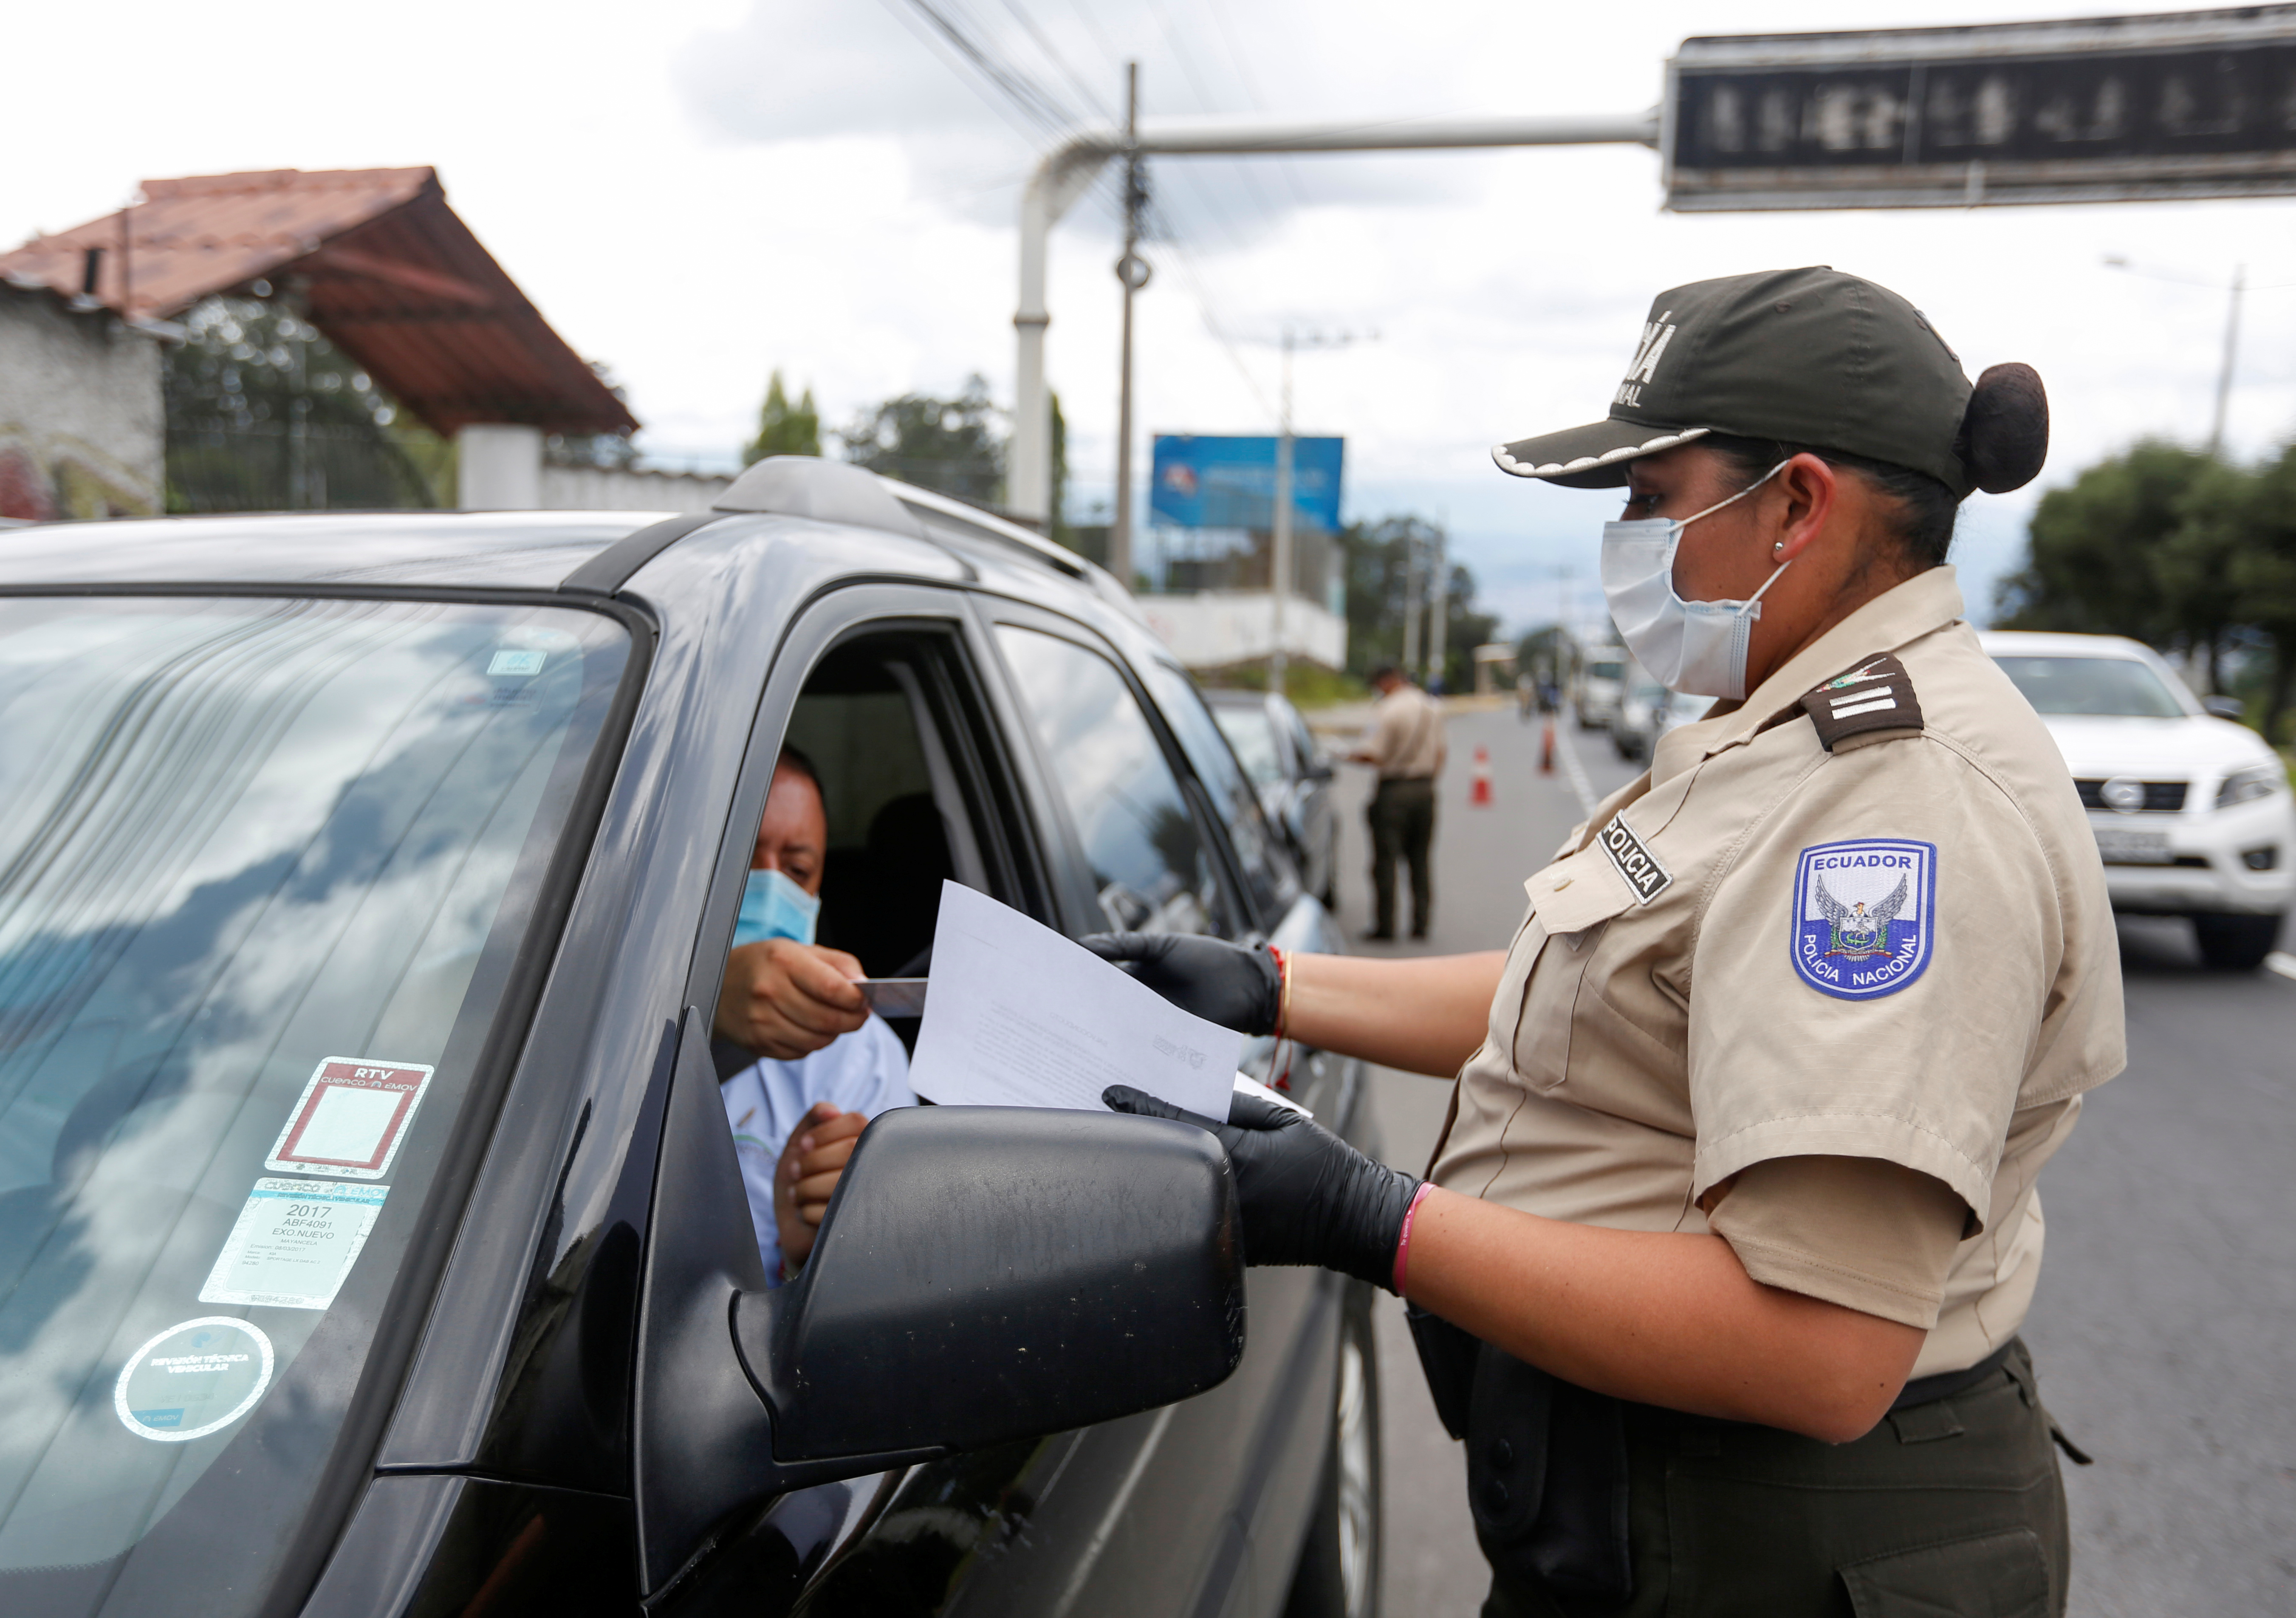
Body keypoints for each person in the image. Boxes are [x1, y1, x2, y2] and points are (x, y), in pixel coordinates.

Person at [1092, 267, 2117, 1615]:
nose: (1626, 542)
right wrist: (1272, 988)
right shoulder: (1778, 724)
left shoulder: (1898, 799)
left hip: (1769, 1536)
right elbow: (1591, 995)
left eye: (1652, 498)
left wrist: (1368, 1218)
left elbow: (1820, 1345)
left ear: (1796, 504)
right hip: (1650, 1501)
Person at [716, 745, 915, 1285]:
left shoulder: (858, 1052)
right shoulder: (586, 998)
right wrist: (706, 1014)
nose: (769, 884)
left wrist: (811, 1256)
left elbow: (881, 1296)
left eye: (797, 870)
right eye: (740, 854)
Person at [1347, 661, 1446, 942]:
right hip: (1425, 789)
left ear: (1387, 681)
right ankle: (1421, 923)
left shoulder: (1388, 710)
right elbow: (1441, 752)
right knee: (1420, 859)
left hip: (1394, 791)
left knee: (1385, 859)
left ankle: (1386, 925)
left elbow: (1373, 753)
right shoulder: (1432, 706)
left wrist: (1347, 755)